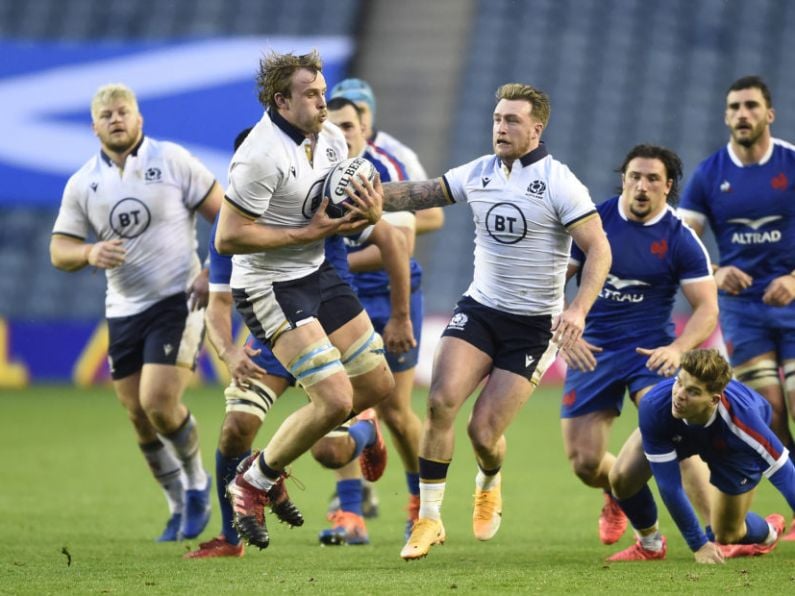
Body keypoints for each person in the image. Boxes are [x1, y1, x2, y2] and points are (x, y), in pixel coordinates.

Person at [376, 83, 612, 560]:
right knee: (440, 402)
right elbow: (419, 193)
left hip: (532, 326)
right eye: (497, 119)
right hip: (481, 309)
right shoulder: (479, 172)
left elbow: (600, 249)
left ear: (537, 128)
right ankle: (429, 519)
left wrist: (578, 308)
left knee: (483, 435)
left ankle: (488, 479)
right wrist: (367, 195)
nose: (500, 128)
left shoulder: (560, 183)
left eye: (512, 121)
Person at [215, 50, 396, 550]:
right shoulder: (258, 154)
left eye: (322, 90)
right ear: (281, 101)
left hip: (317, 271)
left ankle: (267, 461)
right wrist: (304, 233)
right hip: (269, 285)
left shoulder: (332, 138)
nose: (323, 101)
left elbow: (345, 216)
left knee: (377, 384)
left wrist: (370, 212)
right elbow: (228, 238)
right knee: (336, 399)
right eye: (312, 94)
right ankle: (252, 483)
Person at [50, 83, 223, 541]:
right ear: (94, 127)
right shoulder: (84, 182)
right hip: (124, 308)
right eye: (106, 115)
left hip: (178, 297)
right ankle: (175, 504)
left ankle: (197, 484)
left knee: (158, 401)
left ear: (139, 119)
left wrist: (210, 270)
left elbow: (224, 216)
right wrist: (88, 253)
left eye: (123, 111)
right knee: (138, 414)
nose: (115, 119)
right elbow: (58, 249)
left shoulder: (172, 161)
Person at [559, 145, 718, 549]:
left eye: (652, 179)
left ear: (668, 187)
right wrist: (561, 325)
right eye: (634, 177)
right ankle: (619, 493)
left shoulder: (681, 238)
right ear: (624, 179)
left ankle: (720, 534)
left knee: (675, 436)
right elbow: (550, 282)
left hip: (652, 355)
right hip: (592, 351)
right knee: (584, 462)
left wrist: (680, 349)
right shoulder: (593, 223)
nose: (641, 186)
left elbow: (707, 309)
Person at [678, 75, 795, 539]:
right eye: (734, 107)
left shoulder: (790, 163)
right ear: (726, 116)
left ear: (769, 114)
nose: (742, 114)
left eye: (750, 106)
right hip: (743, 310)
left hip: (792, 304)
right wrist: (715, 270)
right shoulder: (709, 174)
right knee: (769, 408)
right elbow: (684, 241)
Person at [317, 97, 424, 544]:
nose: (341, 135)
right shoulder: (316, 175)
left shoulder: (385, 172)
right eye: (332, 127)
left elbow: (398, 245)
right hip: (339, 299)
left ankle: (422, 507)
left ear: (365, 129)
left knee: (397, 412)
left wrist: (400, 318)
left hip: (389, 296)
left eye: (348, 126)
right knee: (337, 406)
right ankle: (350, 514)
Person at [612, 348, 792, 564]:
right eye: (679, 382)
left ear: (714, 399)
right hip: (679, 434)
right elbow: (670, 485)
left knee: (726, 534)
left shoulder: (746, 423)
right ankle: (650, 544)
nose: (679, 394)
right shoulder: (655, 405)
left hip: (730, 449)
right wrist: (698, 544)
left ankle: (769, 533)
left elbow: (787, 476)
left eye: (693, 391)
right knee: (621, 477)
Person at [330, 77, 444, 234]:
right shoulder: (323, 151)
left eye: (361, 110)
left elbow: (432, 217)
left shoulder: (397, 155)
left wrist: (369, 229)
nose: (352, 114)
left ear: (372, 112)